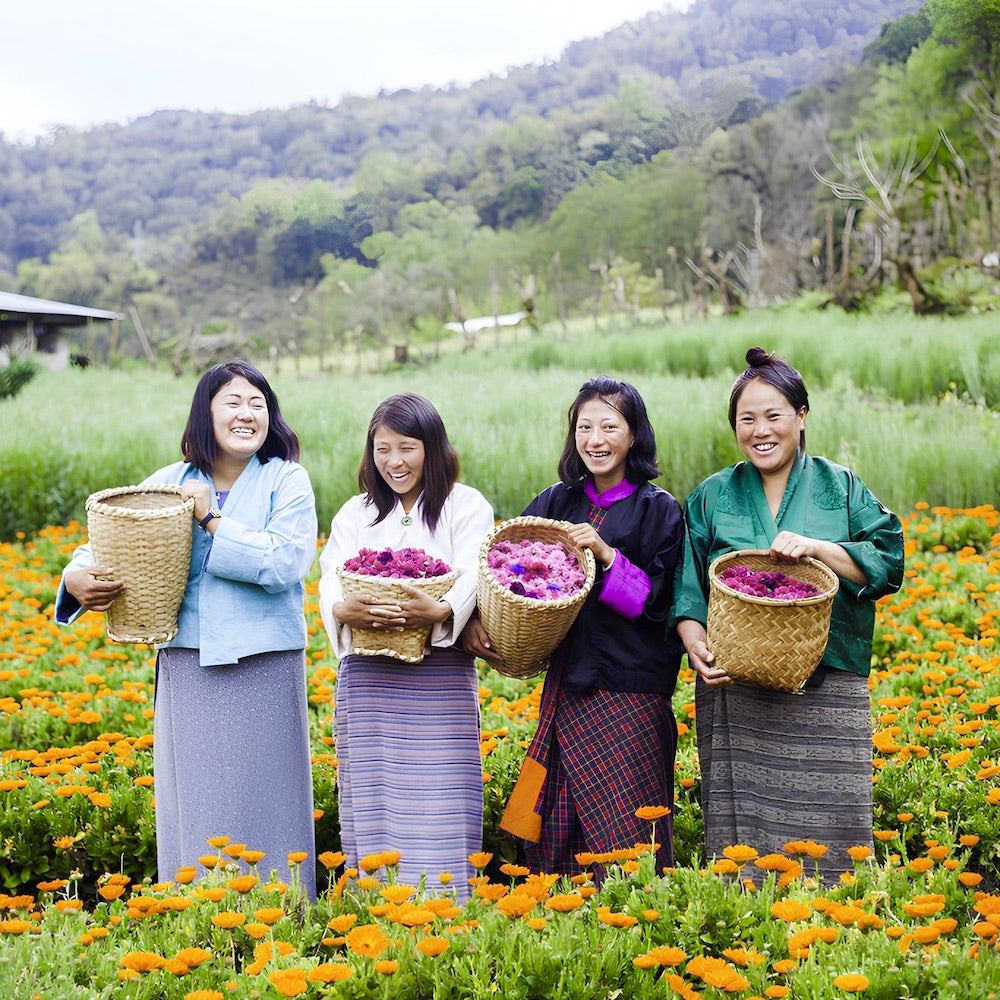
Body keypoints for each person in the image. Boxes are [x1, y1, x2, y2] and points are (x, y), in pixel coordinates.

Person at [57, 360, 318, 895]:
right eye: (233, 402)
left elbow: (285, 564)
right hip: (189, 661)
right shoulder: (171, 482)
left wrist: (212, 520)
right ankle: (202, 918)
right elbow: (105, 539)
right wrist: (75, 576)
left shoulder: (286, 480)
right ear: (206, 412)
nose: (247, 415)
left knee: (271, 795)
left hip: (266, 663)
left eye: (258, 405)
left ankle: (284, 915)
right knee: (197, 798)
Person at [671, 346, 904, 882]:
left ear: (801, 417)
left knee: (834, 835)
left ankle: (836, 931)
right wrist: (694, 641)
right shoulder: (711, 496)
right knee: (743, 844)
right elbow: (685, 586)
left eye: (774, 415)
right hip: (735, 687)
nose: (761, 430)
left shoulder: (840, 486)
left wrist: (819, 547)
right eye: (746, 419)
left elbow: (887, 561)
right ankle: (748, 938)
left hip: (828, 683)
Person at [470, 376, 683, 877]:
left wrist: (607, 554)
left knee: (630, 831)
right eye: (585, 426)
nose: (596, 439)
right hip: (566, 686)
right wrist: (480, 617)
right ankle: (560, 919)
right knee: (557, 824)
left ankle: (637, 924)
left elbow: (657, 605)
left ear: (634, 435)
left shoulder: (660, 510)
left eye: (610, 426)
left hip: (630, 694)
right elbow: (503, 566)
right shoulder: (554, 503)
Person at [318, 393, 494, 901]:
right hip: (371, 676)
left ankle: (448, 909)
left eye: (408, 448)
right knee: (375, 793)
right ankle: (380, 909)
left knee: (442, 796)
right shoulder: (357, 513)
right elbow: (333, 577)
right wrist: (340, 611)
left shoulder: (466, 505)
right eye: (382, 449)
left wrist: (440, 611)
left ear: (433, 448)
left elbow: (473, 572)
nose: (394, 462)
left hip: (439, 673)